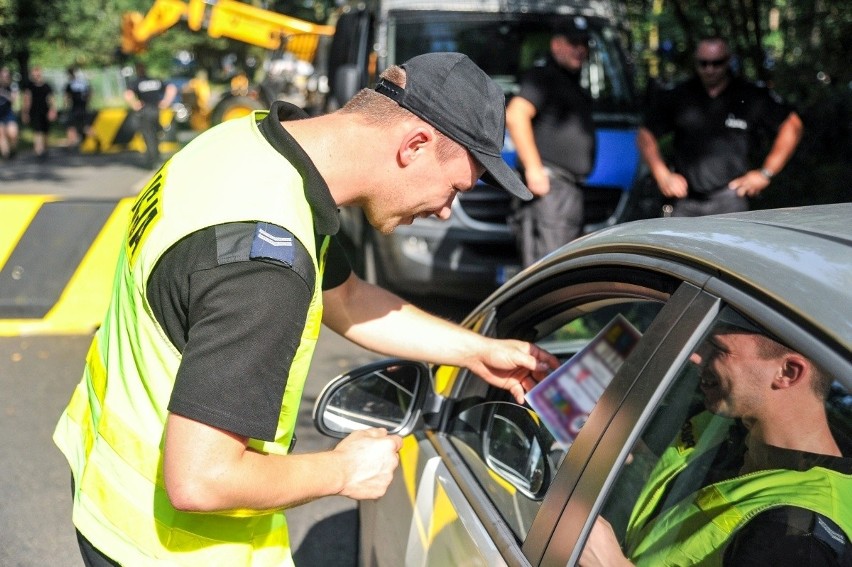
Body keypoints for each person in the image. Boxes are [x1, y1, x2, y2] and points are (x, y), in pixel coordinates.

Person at [53, 52, 557, 566]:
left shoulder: (244, 149)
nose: (446, 209)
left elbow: (348, 298)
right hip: (169, 549)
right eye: (454, 188)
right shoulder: (264, 265)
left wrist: (475, 350)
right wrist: (343, 471)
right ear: (415, 145)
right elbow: (202, 478)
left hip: (106, 497)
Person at [580, 313, 852, 566]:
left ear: (788, 372)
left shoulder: (799, 534)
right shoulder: (723, 425)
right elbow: (627, 433)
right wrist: (555, 396)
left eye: (718, 348)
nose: (697, 356)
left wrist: (609, 563)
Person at [637, 36, 804, 217]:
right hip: (685, 200)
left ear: (728, 61)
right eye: (703, 63)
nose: (710, 69)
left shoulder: (749, 95)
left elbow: (792, 125)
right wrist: (662, 175)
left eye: (717, 63)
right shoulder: (680, 94)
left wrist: (765, 173)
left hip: (730, 199)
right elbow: (645, 133)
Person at [506, 18, 596, 267]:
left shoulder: (570, 82)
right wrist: (534, 168)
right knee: (548, 270)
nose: (580, 49)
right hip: (550, 192)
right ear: (557, 45)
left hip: (565, 192)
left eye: (584, 43)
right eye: (574, 42)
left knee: (564, 271)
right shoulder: (544, 77)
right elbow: (515, 114)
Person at [123, 62, 177, 168]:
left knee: (149, 137)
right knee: (156, 135)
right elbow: (171, 88)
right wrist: (166, 101)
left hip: (145, 112)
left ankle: (153, 161)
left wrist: (135, 104)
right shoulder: (154, 80)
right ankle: (157, 158)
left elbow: (127, 94)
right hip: (157, 111)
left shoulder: (136, 82)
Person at [21, 66, 57, 159]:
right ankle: (38, 151)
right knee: (37, 131)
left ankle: (44, 149)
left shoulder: (47, 86)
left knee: (45, 132)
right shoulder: (29, 86)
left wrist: (53, 110)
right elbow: (26, 99)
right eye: (34, 74)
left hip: (45, 111)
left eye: (37, 74)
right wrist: (25, 112)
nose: (36, 76)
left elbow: (51, 99)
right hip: (34, 111)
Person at [64, 66, 92, 148]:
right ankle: (97, 140)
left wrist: (65, 108)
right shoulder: (84, 83)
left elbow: (66, 97)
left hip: (74, 108)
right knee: (86, 126)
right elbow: (89, 94)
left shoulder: (70, 84)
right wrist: (87, 103)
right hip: (84, 107)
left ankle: (70, 143)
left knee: (70, 125)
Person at [0, 65, 20, 160]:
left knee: (13, 133)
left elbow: (13, 99)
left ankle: (13, 150)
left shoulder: (13, 86)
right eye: (2, 76)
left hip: (8, 113)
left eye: (6, 76)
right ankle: (6, 154)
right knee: (1, 134)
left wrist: (3, 92)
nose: (4, 78)